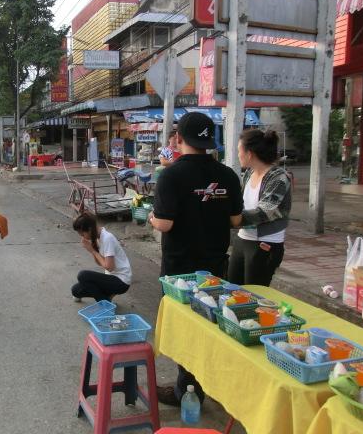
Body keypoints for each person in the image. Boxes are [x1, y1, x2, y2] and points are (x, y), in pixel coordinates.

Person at [149, 111, 243, 407]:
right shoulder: (228, 175)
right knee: (211, 325)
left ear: (178, 138)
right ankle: (204, 384)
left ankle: (188, 391)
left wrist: (151, 218)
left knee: (185, 330)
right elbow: (236, 220)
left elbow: (165, 224)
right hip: (215, 265)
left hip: (180, 270)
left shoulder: (171, 175)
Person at [228, 130, 291, 287]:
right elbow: (240, 203)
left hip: (266, 242)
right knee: (232, 288)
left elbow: (264, 212)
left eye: (239, 150)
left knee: (254, 294)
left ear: (249, 154)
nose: (238, 155)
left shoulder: (279, 177)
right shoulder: (249, 173)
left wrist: (231, 219)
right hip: (243, 238)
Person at [71, 213, 132, 303]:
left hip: (121, 280)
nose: (82, 237)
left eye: (82, 234)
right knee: (76, 290)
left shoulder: (107, 238)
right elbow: (100, 263)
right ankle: (106, 296)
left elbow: (109, 267)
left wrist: (93, 251)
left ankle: (105, 302)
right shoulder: (97, 238)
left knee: (82, 275)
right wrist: (92, 249)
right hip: (110, 277)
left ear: (89, 229)